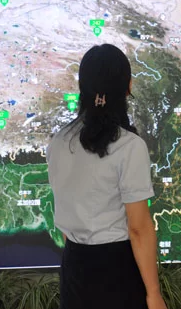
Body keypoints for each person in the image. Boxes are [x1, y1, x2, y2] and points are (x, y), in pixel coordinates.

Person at [46, 44, 167, 309]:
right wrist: (154, 294)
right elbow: (138, 228)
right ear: (127, 87)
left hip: (74, 267)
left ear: (82, 88)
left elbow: (65, 217)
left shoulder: (58, 142)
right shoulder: (130, 146)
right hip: (117, 270)